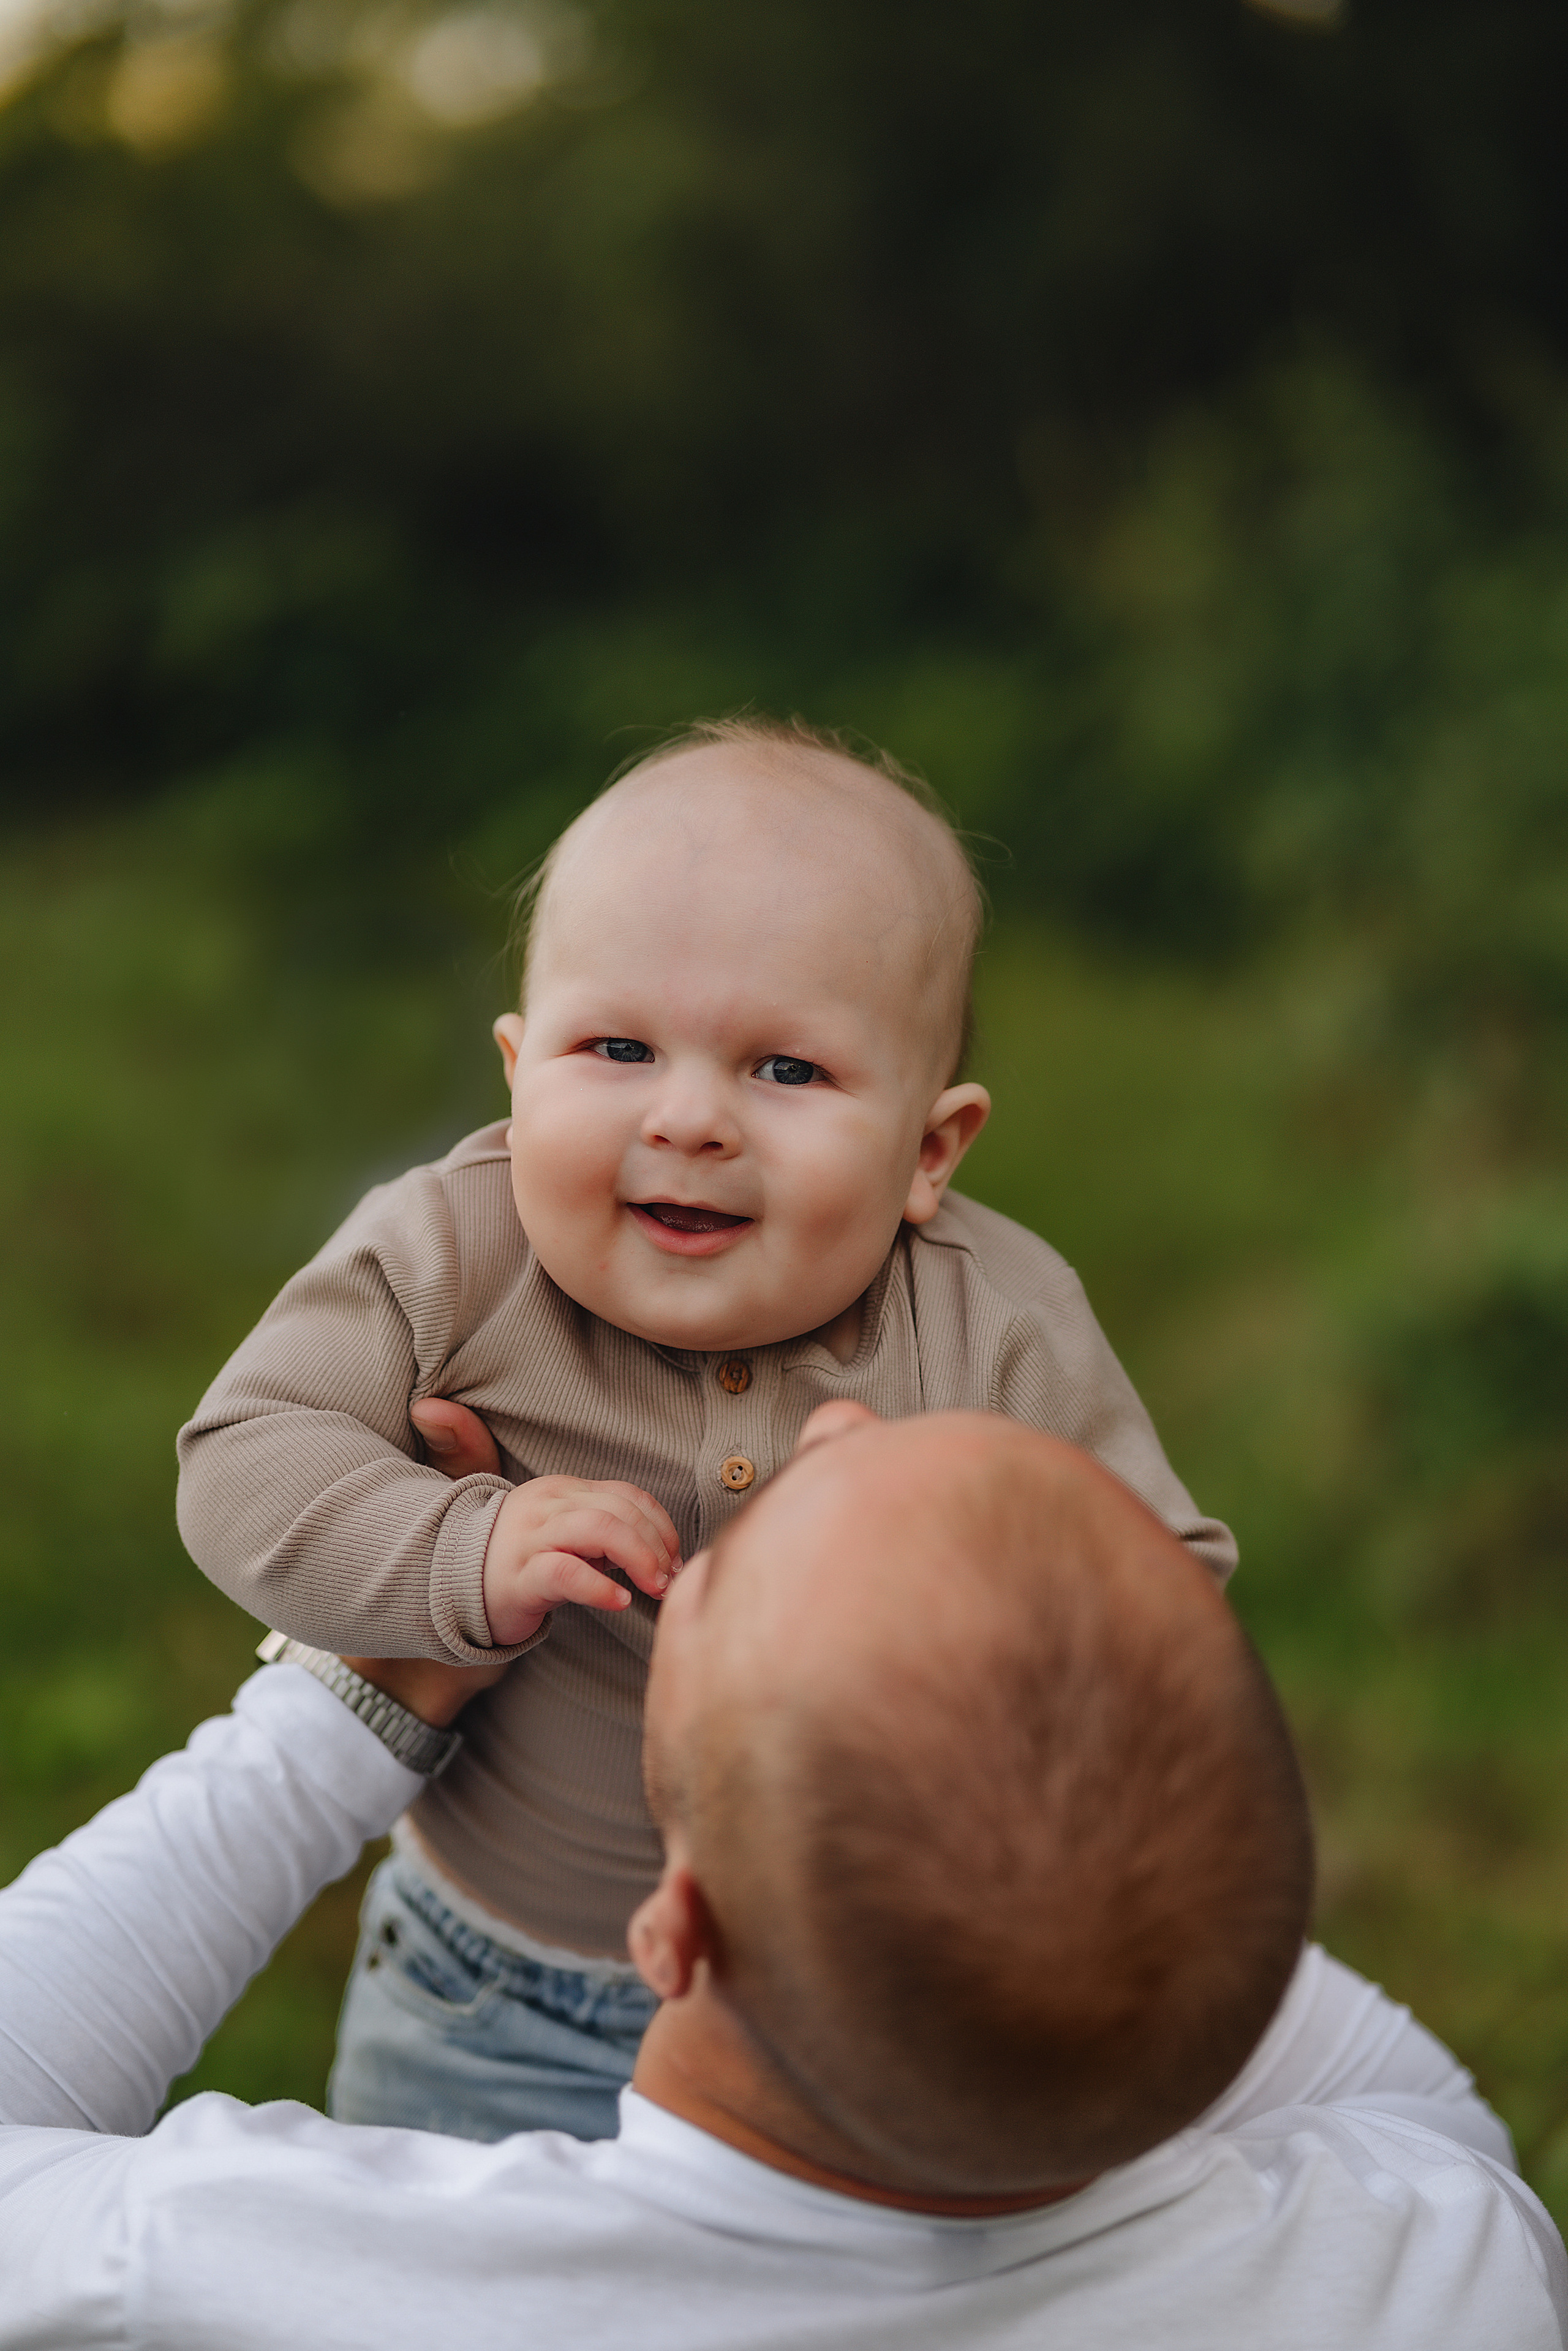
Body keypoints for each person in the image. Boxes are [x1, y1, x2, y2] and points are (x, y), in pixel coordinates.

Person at [174, 714, 1237, 2142]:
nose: (688, 1117)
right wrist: (461, 1544)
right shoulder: (448, 1252)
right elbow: (242, 1459)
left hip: (852, 1998)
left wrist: (945, 1578)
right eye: (617, 1046)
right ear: (516, 1072)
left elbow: (1166, 1603)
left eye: (784, 1070)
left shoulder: (991, 1325)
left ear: (928, 1148)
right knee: (451, 2262)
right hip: (491, 1989)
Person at [2, 1411, 1561, 2347]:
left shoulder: (300, 2279)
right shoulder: (1447, 2269)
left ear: (675, 1929)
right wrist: (1105, 1879)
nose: (834, 1420)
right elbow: (1424, 2111)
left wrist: (355, 1700)